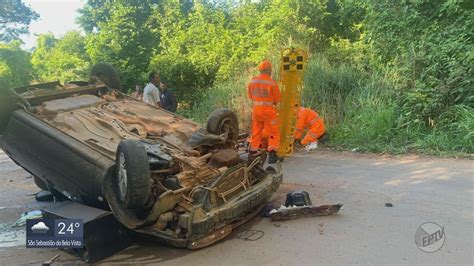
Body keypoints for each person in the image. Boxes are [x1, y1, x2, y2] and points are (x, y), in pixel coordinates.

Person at [247, 60, 281, 163]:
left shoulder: (253, 81)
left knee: (257, 131)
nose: (271, 71)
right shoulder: (271, 83)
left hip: (256, 111)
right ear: (268, 69)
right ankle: (272, 154)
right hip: (268, 111)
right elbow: (277, 99)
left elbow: (250, 96)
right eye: (270, 69)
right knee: (273, 131)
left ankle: (253, 152)